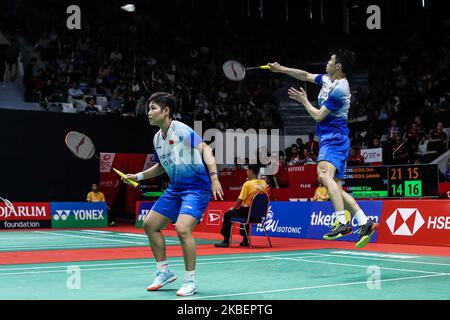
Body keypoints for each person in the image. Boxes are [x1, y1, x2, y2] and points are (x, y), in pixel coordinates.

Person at [269, 50, 378, 248]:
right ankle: (365, 222)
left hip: (334, 138)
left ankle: (343, 222)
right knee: (334, 186)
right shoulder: (328, 79)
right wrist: (280, 69)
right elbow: (305, 75)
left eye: (331, 60)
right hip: (333, 138)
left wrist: (303, 101)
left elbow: (319, 116)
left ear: (338, 67)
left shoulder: (341, 89)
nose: (327, 62)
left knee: (323, 175)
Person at [125, 92, 223, 296]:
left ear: (166, 111)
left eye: (153, 108)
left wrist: (214, 178)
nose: (148, 113)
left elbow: (206, 150)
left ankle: (190, 280)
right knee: (150, 225)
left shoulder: (181, 130)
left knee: (182, 228)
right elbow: (162, 166)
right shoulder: (156, 138)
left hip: (196, 189)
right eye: (148, 109)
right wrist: (139, 176)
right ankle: (164, 272)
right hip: (175, 189)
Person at [215, 164, 268, 248]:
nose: (246, 172)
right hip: (259, 214)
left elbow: (240, 200)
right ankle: (245, 240)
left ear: (250, 171)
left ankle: (225, 241)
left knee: (228, 214)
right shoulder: (264, 183)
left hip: (247, 212)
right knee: (245, 213)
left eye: (247, 170)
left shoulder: (247, 184)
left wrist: (233, 208)